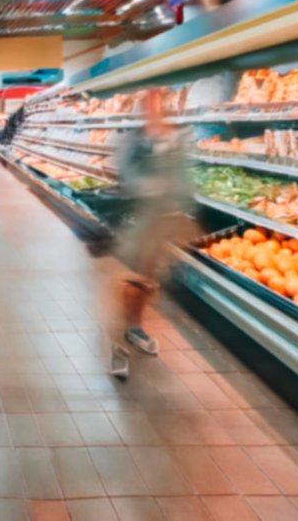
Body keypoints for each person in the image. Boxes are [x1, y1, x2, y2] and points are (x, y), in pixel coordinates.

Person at [109, 88, 196, 379]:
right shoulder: (134, 139)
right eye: (149, 104)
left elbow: (184, 175)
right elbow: (124, 172)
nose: (154, 109)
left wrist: (182, 203)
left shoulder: (177, 137)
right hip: (140, 218)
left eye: (158, 103)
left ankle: (133, 324)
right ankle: (129, 329)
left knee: (148, 276)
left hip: (167, 218)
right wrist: (149, 187)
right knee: (138, 273)